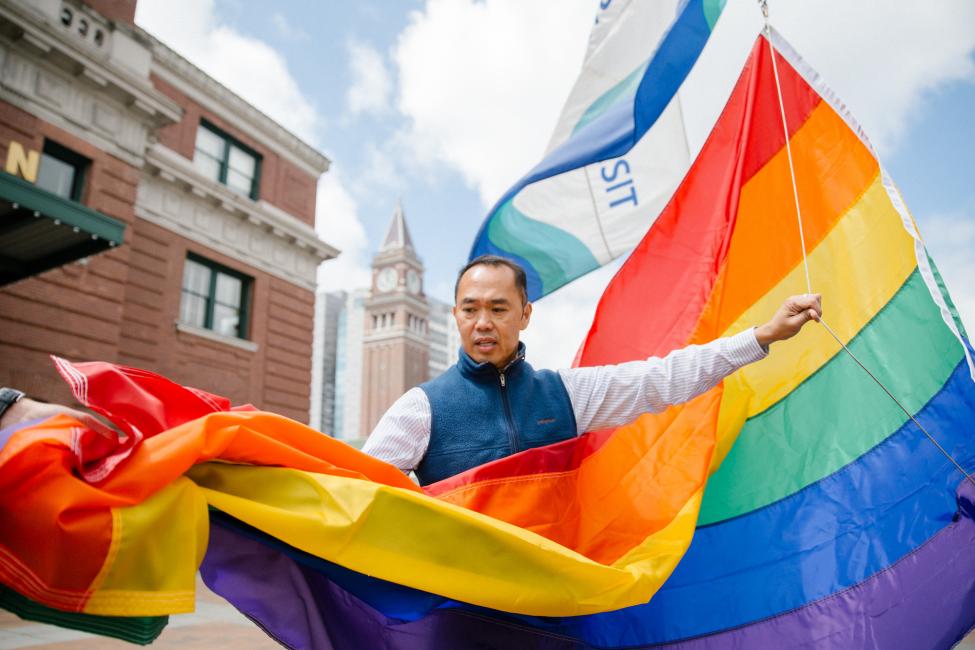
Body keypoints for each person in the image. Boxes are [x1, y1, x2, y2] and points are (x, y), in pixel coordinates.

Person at [363, 255, 821, 485]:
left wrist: (762, 336)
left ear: (525, 314)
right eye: (470, 309)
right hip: (456, 612)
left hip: (555, 610)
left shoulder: (566, 394)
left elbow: (661, 379)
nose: (483, 323)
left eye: (499, 308)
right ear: (456, 316)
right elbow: (353, 486)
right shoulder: (422, 408)